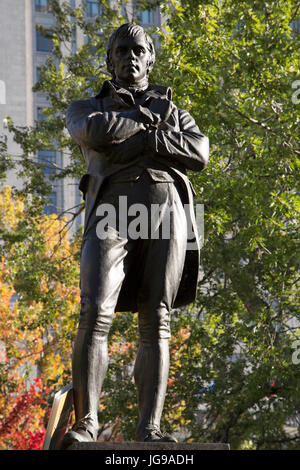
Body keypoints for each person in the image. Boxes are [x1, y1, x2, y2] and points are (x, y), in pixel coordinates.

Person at [61, 23, 209, 447]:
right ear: (110, 60)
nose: (131, 56)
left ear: (150, 58)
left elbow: (199, 151)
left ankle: (150, 429)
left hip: (165, 210)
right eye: (122, 50)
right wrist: (151, 128)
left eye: (139, 49)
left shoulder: (176, 109)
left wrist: (132, 138)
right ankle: (86, 424)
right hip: (112, 209)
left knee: (156, 320)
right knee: (94, 310)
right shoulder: (85, 106)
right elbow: (94, 131)